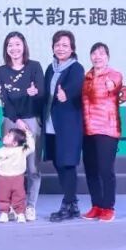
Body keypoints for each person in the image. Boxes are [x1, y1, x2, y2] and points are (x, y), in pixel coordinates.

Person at [0, 31, 45, 221]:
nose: (14, 48)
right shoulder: (2, 71)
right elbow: (5, 99)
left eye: (17, 44)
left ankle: (30, 206)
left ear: (24, 46)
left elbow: (41, 94)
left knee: (32, 167)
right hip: (11, 121)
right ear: (6, 49)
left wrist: (35, 93)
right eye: (10, 45)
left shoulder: (34, 67)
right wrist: (17, 120)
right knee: (9, 166)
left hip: (32, 120)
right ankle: (11, 206)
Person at [44, 30, 85, 222]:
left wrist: (65, 94)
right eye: (57, 45)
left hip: (68, 124)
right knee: (57, 162)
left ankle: (67, 205)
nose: (61, 48)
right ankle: (73, 203)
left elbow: (75, 89)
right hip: (51, 123)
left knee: (67, 164)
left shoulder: (76, 68)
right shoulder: (50, 68)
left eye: (65, 45)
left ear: (72, 48)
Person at [82, 42, 124, 222]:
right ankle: (96, 205)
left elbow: (120, 87)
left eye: (101, 53)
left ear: (107, 57)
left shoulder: (114, 74)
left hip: (107, 129)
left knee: (105, 170)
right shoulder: (86, 77)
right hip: (87, 129)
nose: (97, 57)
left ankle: (108, 207)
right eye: (94, 53)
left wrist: (114, 86)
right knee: (91, 170)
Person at [0, 128, 35, 223]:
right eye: (6, 135)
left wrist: (28, 135)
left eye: (9, 136)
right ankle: (4, 213)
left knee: (19, 196)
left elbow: (31, 147)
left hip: (18, 178)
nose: (5, 136)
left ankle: (20, 214)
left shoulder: (22, 150)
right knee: (2, 197)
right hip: (3, 179)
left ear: (15, 143)